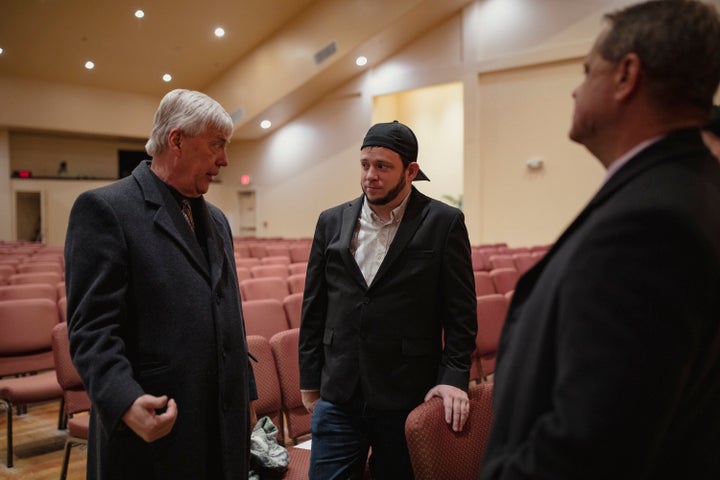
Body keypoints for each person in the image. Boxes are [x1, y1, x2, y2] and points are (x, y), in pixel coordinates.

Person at [479, 1, 720, 479]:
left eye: (587, 69)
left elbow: (589, 449)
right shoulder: (692, 187)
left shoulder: (651, 224)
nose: (575, 87)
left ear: (626, 76)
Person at [65, 89, 257, 480]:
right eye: (217, 145)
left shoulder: (217, 220)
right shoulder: (106, 210)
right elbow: (91, 329)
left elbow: (228, 311)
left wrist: (245, 394)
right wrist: (123, 399)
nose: (225, 160)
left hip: (222, 427)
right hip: (155, 430)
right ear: (177, 140)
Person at [299, 120, 477, 479]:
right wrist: (309, 380)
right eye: (365, 165)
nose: (370, 176)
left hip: (406, 392)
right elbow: (314, 307)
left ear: (410, 171)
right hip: (339, 392)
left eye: (383, 166)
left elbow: (461, 316)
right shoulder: (331, 221)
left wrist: (454, 377)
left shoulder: (444, 222)